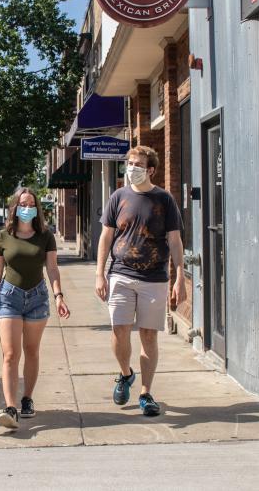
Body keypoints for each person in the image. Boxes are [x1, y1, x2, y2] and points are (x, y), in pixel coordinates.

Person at [95, 145, 186, 416]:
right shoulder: (118, 197)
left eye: (137, 164)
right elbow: (106, 236)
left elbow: (175, 240)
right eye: (129, 163)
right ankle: (125, 374)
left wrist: (179, 276)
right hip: (121, 273)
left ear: (151, 170)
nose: (131, 168)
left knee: (148, 335)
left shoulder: (164, 200)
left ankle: (146, 393)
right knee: (119, 330)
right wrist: (100, 273)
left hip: (154, 278)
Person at [0, 187, 70, 429]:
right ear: (15, 207)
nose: (26, 208)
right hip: (8, 297)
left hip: (37, 297)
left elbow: (52, 268)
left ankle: (27, 399)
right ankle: (10, 408)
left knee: (31, 351)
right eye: (22, 204)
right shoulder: (2, 236)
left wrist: (59, 296)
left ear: (36, 209)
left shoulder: (46, 236)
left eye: (31, 204)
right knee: (10, 354)